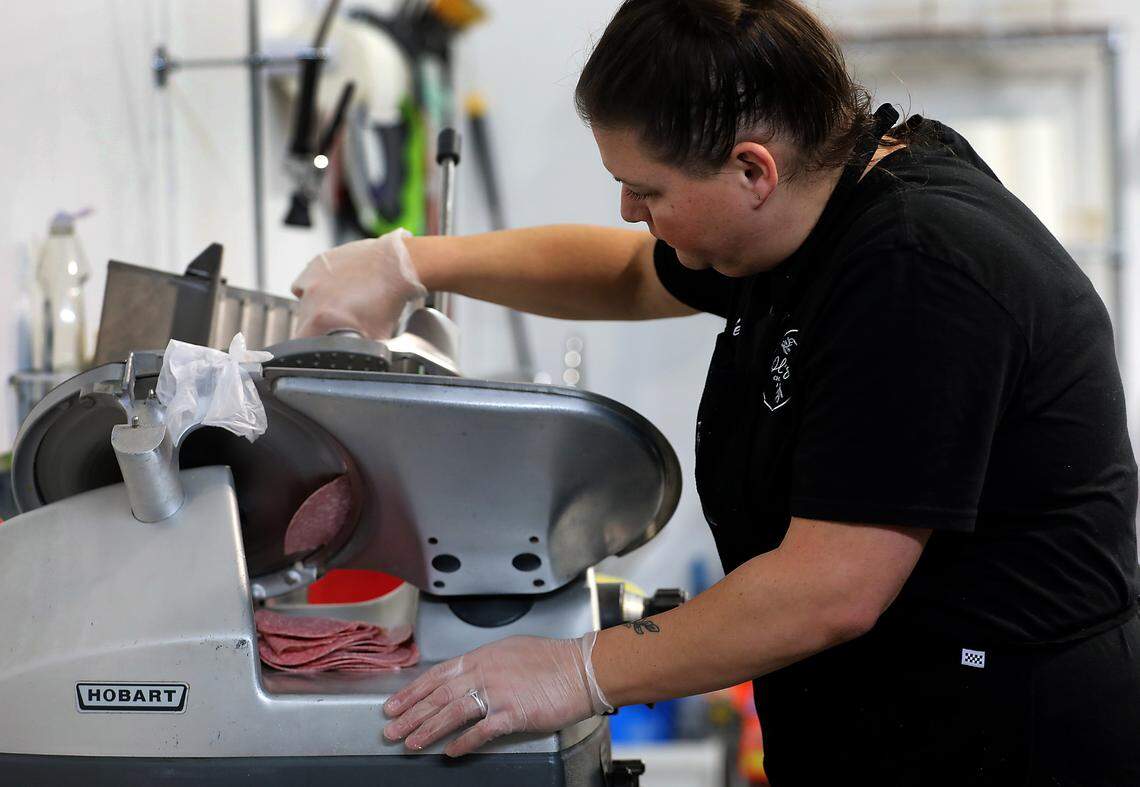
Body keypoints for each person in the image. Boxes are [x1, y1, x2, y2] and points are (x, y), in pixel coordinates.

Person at [291, 1, 1140, 783]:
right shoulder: (819, 205)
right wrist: (408, 262)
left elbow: (831, 588)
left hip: (1007, 744)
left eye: (649, 189)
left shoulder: (917, 270)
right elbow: (628, 273)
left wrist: (581, 670)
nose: (629, 209)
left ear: (752, 170)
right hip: (892, 725)